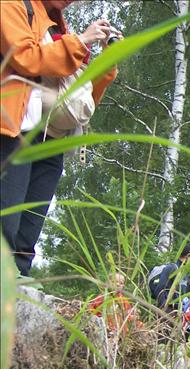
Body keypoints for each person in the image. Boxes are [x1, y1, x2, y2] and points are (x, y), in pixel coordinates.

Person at [1, 0, 118, 277]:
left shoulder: (57, 28)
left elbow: (79, 103)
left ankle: (18, 285)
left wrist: (107, 62)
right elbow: (25, 58)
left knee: (30, 226)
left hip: (52, 138)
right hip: (16, 130)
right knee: (7, 216)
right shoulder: (12, 5)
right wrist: (81, 41)